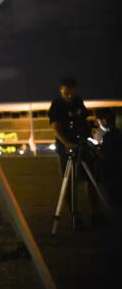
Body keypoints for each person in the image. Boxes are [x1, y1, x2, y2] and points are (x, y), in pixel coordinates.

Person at [48, 77, 97, 227]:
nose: (70, 93)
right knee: (69, 182)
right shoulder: (57, 105)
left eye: (72, 90)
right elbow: (56, 127)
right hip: (67, 147)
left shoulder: (78, 102)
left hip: (82, 145)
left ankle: (96, 213)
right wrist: (67, 143)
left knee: (91, 180)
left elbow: (83, 120)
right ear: (61, 89)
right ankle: (75, 215)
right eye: (67, 90)